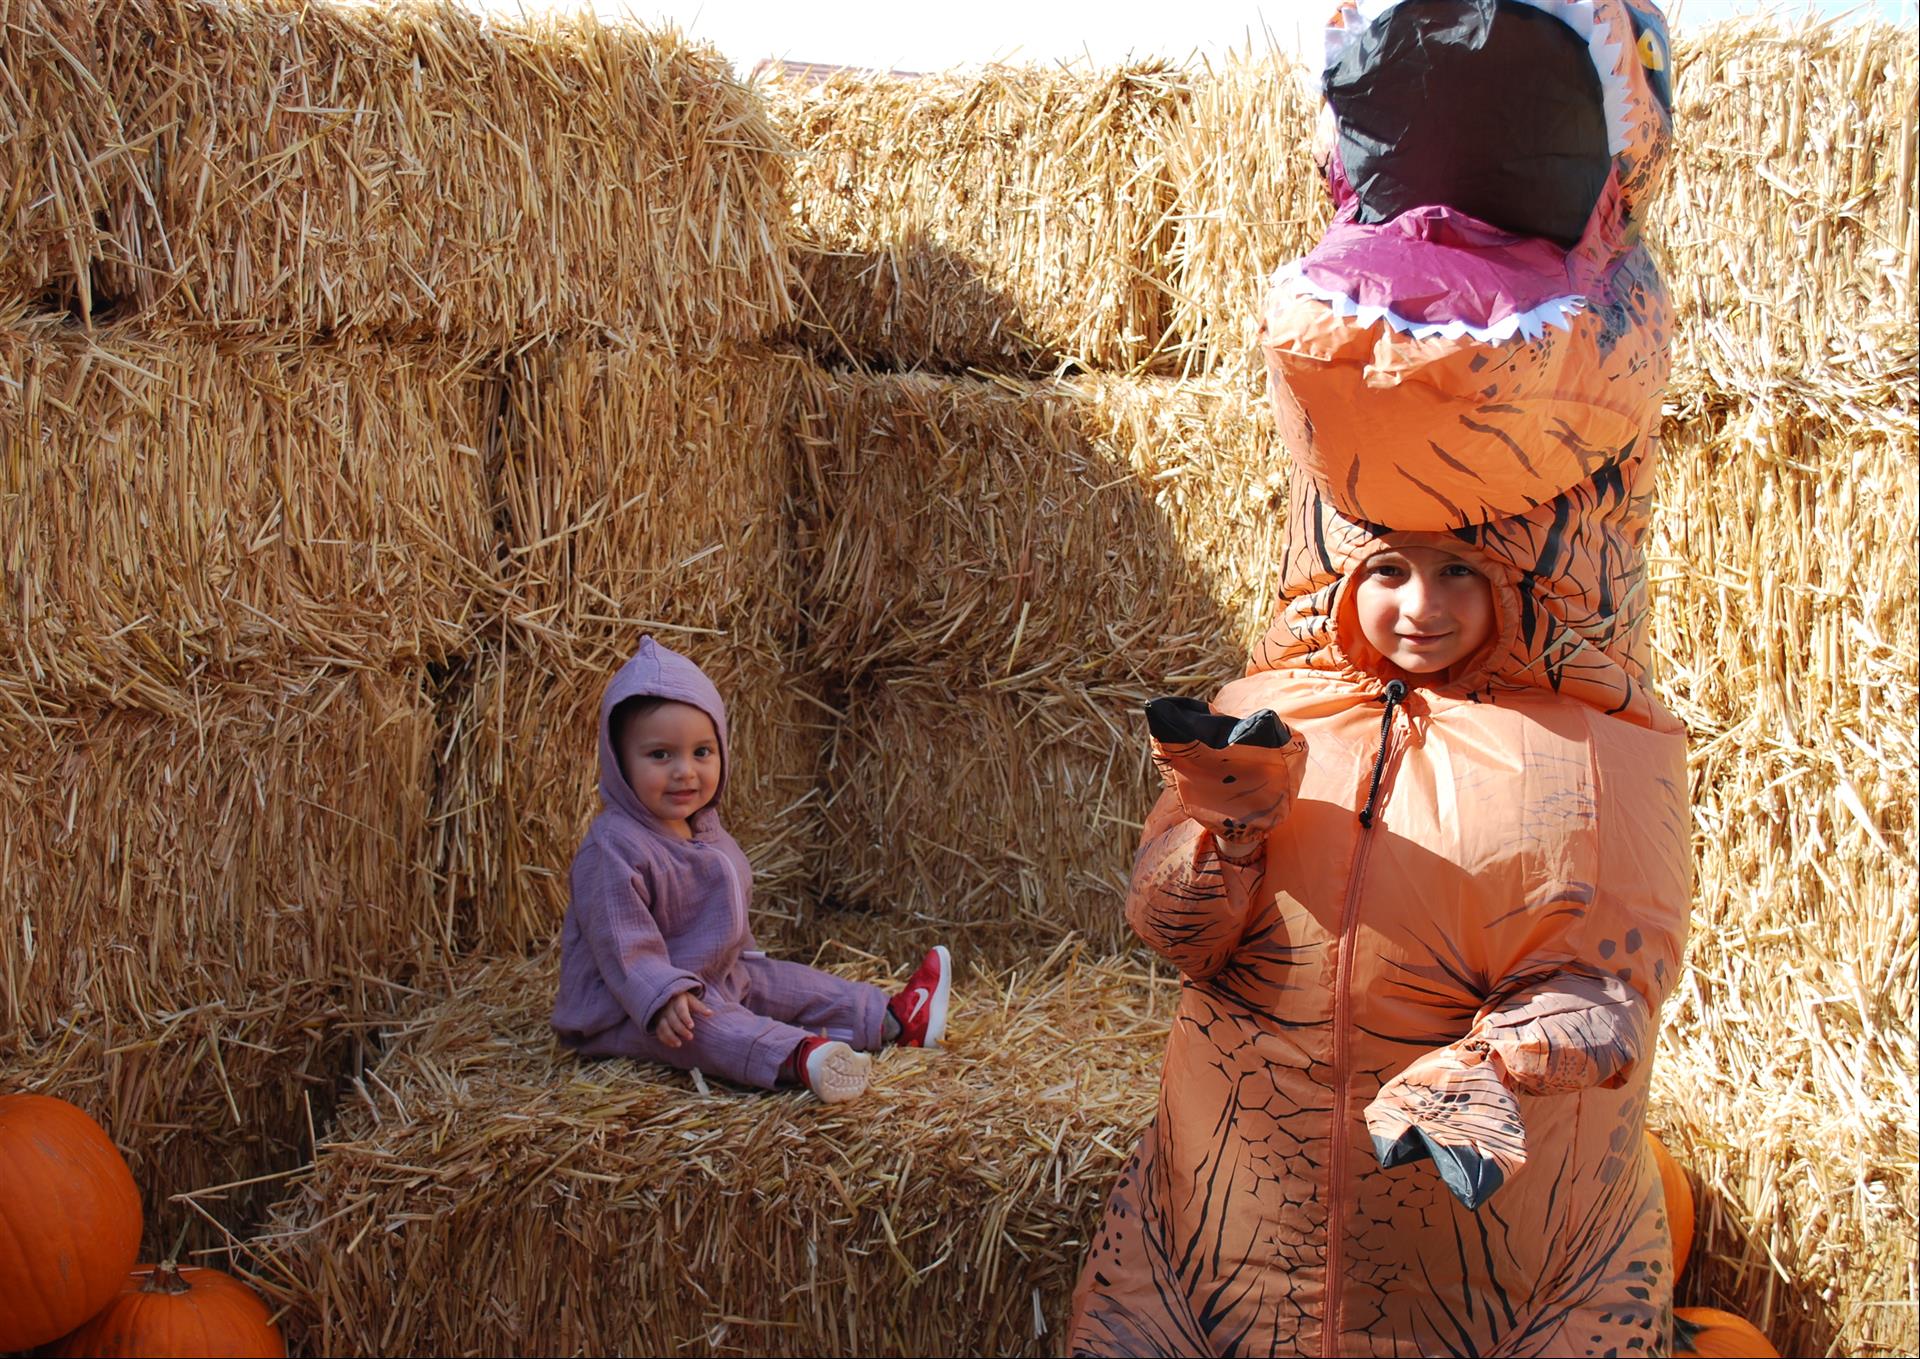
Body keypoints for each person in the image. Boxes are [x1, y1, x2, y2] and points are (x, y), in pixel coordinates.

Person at [1070, 0, 1692, 1353]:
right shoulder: (1284, 698)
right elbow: (1174, 935)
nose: (1418, 609)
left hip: (1487, 1286)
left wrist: (1492, 1065)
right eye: (1392, 572)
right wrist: (1221, 832)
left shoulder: (1598, 747)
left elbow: (1610, 985)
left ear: (1522, 573)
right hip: (1206, 1257)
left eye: (1460, 574)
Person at [552, 636, 952, 1103]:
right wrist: (660, 995)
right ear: (619, 763)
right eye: (661, 755)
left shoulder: (703, 830)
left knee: (788, 984)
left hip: (717, 975)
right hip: (633, 1009)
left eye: (702, 752)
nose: (685, 771)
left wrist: (746, 966)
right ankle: (800, 1057)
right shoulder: (613, 846)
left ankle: (896, 1019)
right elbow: (625, 947)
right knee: (709, 1030)